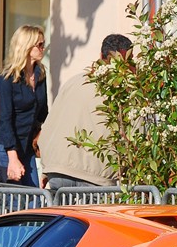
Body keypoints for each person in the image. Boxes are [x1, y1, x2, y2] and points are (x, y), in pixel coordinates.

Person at [39, 33, 132, 190]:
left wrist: (47, 166)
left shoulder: (75, 81)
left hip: (59, 168)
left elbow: (50, 125)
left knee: (61, 215)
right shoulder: (123, 90)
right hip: (95, 175)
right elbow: (134, 136)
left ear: (100, 56)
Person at [0, 24, 48, 187]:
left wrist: (39, 134)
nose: (43, 48)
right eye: (39, 45)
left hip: (26, 144)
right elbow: (6, 119)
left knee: (35, 199)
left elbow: (43, 112)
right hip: (6, 145)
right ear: (26, 47)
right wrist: (13, 157)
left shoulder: (41, 75)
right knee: (15, 199)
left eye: (44, 44)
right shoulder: (7, 80)